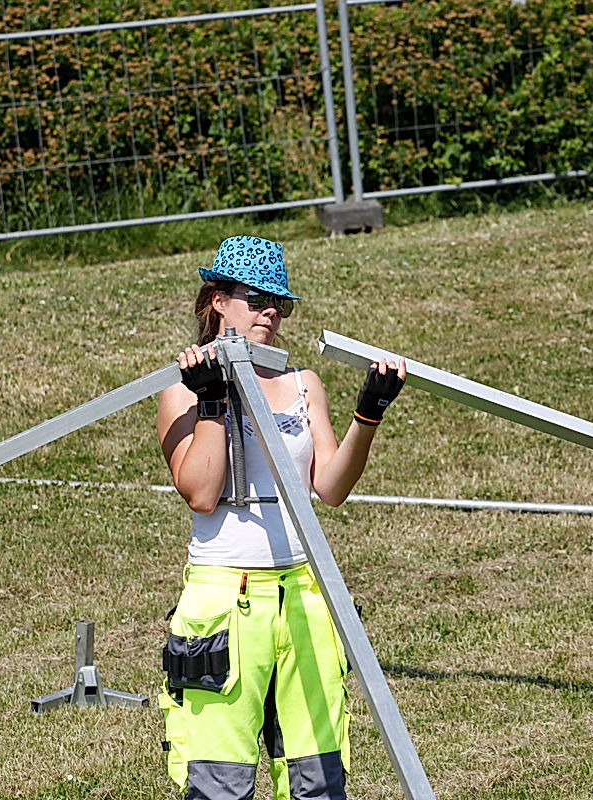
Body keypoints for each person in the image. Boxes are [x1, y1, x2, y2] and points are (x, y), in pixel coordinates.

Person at [155, 235, 406, 800]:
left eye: (280, 303)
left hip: (304, 591)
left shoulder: (301, 384)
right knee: (220, 777)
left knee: (316, 774)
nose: (270, 312)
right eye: (256, 298)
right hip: (225, 596)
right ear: (218, 300)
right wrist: (214, 403)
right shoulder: (179, 392)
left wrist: (369, 414)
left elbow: (331, 488)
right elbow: (200, 491)